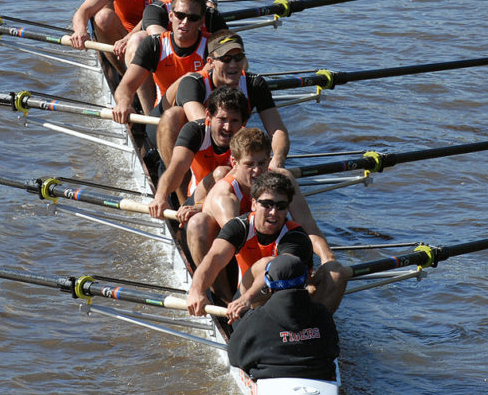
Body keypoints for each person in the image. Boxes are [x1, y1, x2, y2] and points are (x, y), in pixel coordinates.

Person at [180, 128, 343, 307]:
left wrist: (327, 259)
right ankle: (225, 300)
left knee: (335, 272)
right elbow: (232, 247)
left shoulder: (282, 180)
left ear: (269, 160)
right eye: (249, 165)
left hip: (273, 256)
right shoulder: (225, 195)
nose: (257, 171)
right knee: (199, 223)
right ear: (234, 162)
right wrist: (196, 290)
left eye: (262, 163)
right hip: (238, 261)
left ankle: (317, 326)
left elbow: (306, 222)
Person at [186, 172, 345, 322]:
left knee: (336, 273)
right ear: (254, 204)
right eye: (267, 204)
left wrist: (248, 297)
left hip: (281, 302)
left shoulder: (296, 237)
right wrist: (196, 290)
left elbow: (279, 269)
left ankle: (313, 330)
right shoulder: (239, 227)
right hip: (246, 305)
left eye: (281, 206)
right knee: (266, 264)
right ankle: (226, 304)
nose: (274, 212)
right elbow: (214, 259)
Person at [156, 30, 289, 169]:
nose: (233, 64)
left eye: (238, 58)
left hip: (222, 140)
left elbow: (277, 130)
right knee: (174, 115)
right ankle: (177, 189)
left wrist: (277, 160)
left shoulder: (255, 84)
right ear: (211, 62)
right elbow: (205, 127)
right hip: (182, 138)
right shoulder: (194, 83)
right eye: (226, 59)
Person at [225, 254, 339, 382]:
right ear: (305, 279)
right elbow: (333, 350)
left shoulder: (256, 318)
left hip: (270, 378)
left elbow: (234, 357)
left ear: (268, 283)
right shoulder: (322, 313)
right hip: (320, 377)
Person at [110, 0, 210, 121]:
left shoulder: (211, 46)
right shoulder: (155, 45)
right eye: (180, 15)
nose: (185, 22)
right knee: (189, 81)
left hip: (198, 115)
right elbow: (125, 87)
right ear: (170, 16)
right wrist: (123, 103)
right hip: (162, 116)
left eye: (192, 18)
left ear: (201, 21)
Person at [148, 86, 248, 217]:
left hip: (232, 205)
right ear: (208, 116)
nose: (227, 127)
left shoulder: (247, 142)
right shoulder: (195, 131)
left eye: (234, 121)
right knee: (221, 173)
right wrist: (160, 197)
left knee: (225, 174)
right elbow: (177, 166)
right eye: (222, 119)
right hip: (196, 202)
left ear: (243, 122)